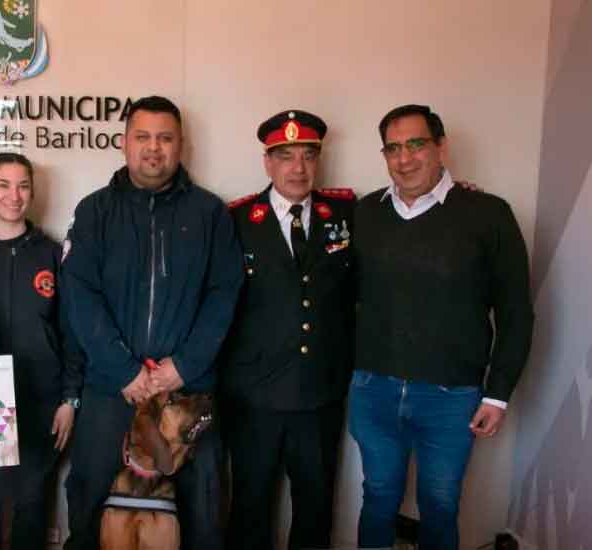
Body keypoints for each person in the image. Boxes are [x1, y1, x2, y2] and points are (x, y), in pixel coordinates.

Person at [61, 96, 244, 550]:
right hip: (112, 388)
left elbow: (225, 293)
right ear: (124, 143)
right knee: (89, 504)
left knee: (202, 512)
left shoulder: (209, 213)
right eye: (142, 137)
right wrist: (126, 371)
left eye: (165, 138)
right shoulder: (95, 211)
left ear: (181, 145)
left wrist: (183, 365)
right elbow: (80, 295)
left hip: (187, 390)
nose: (153, 148)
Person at [349, 104, 534, 549]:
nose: (405, 158)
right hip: (374, 387)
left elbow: (515, 312)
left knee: (441, 502)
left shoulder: (488, 214)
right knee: (377, 496)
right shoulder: (363, 214)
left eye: (416, 144)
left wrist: (498, 393)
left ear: (440, 146)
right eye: (393, 148)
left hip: (451, 397)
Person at [221, 110, 355, 550]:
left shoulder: (348, 213)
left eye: (308, 156)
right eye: (285, 156)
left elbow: (403, 212)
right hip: (253, 397)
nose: (298, 168)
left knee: (315, 510)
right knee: (250, 508)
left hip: (320, 393)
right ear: (267, 162)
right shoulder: (236, 220)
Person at [0, 152, 84, 550]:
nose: (14, 196)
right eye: (3, 185)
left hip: (41, 399)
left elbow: (71, 331)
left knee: (32, 505)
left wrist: (69, 398)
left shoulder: (52, 253)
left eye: (23, 185)